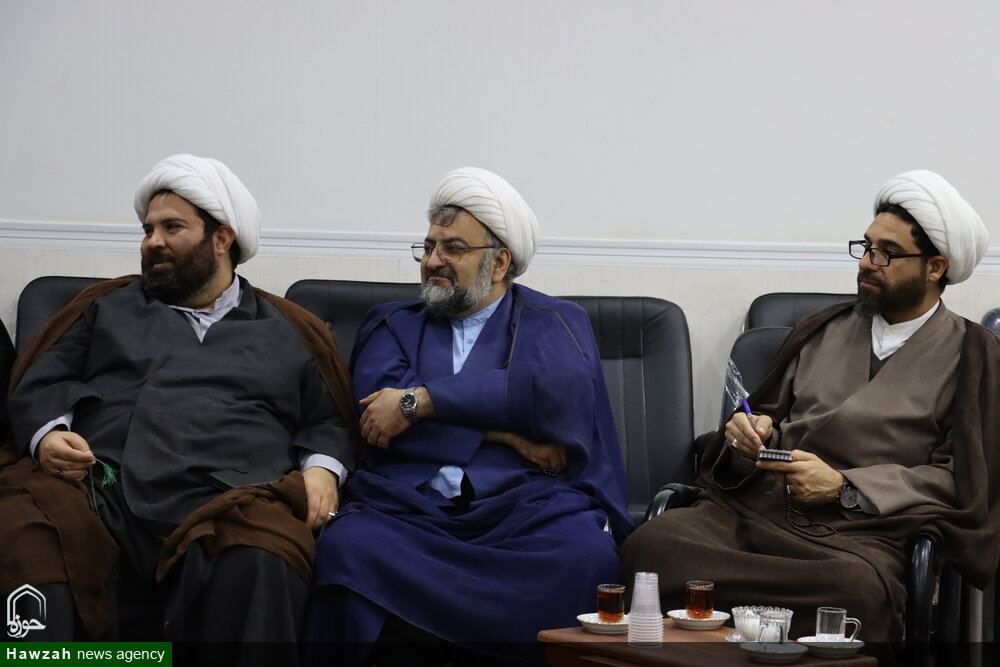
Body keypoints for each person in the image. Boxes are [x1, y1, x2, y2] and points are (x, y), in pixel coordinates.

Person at [0, 154, 360, 657]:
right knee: (27, 533)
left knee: (266, 554)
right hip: (102, 490)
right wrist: (48, 436)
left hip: (233, 499)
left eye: (172, 228)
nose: (153, 242)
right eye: (148, 229)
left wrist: (322, 470)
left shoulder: (291, 328)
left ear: (222, 239)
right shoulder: (105, 308)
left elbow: (329, 417)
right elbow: (43, 380)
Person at [620, 169, 1000, 642]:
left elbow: (962, 476)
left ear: (935, 267)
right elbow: (766, 426)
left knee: (857, 591)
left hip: (861, 534)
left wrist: (845, 487)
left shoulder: (974, 354)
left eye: (887, 253)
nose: (867, 263)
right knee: (653, 548)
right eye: (865, 247)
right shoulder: (822, 328)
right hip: (760, 511)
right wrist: (749, 435)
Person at [304, 167, 631, 664]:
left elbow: (553, 400)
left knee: (586, 556)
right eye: (428, 247)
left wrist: (421, 402)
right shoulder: (391, 323)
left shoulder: (556, 322)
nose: (432, 260)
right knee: (348, 548)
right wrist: (511, 434)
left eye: (453, 248)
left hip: (524, 510)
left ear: (499, 262)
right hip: (406, 512)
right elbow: (380, 421)